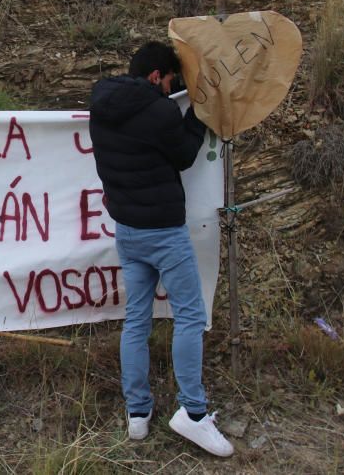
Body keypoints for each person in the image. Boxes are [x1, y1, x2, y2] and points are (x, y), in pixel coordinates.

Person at [88, 41, 233, 457]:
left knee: (136, 319)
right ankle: (193, 412)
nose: (172, 89)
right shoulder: (160, 110)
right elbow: (186, 155)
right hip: (165, 232)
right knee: (190, 316)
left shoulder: (101, 102)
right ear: (156, 76)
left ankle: (138, 414)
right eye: (171, 82)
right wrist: (198, 110)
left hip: (127, 230)